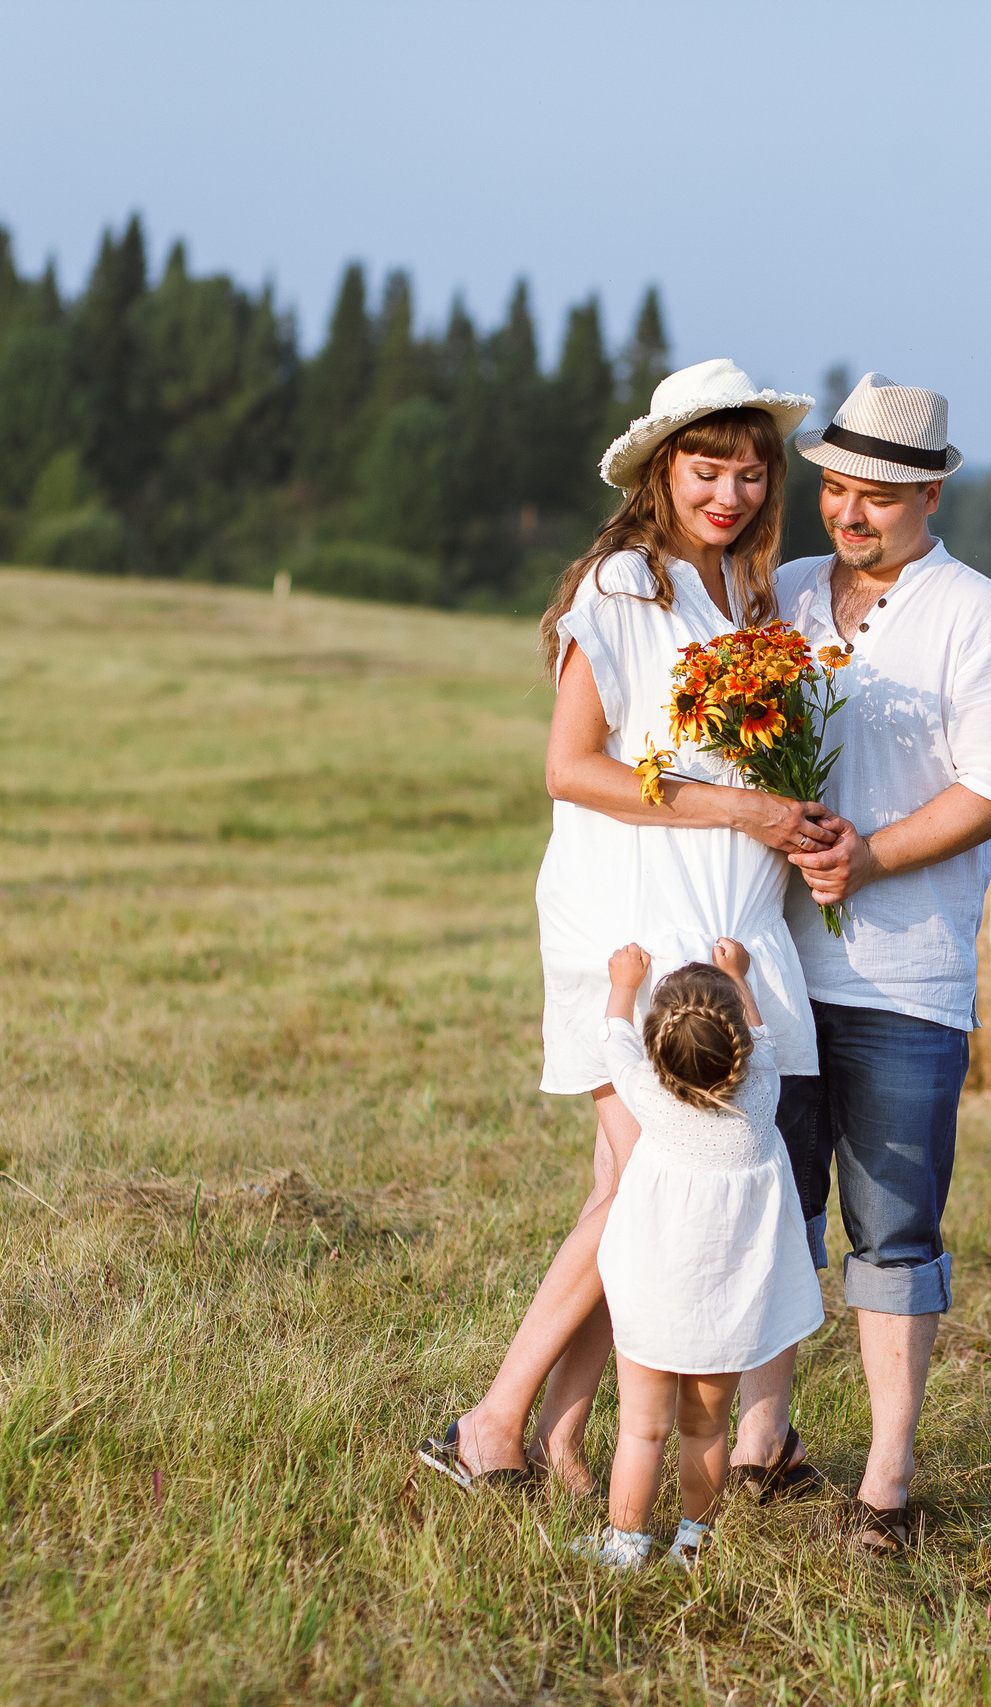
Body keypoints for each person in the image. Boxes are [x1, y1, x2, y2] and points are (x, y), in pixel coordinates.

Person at [418, 359, 836, 1494]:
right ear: (661, 469)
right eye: (708, 468)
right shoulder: (622, 589)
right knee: (644, 1186)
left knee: (641, 1194)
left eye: (752, 472)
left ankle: (555, 1438)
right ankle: (488, 1426)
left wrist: (788, 820)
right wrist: (742, 809)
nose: (731, 493)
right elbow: (572, 768)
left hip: (720, 917)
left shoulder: (744, 598)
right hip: (633, 921)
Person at [728, 374, 991, 1556]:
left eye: (877, 496)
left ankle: (886, 1486)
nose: (849, 513)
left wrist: (868, 858)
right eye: (835, 489)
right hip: (775, 957)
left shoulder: (982, 619)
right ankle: (762, 1446)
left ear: (931, 497)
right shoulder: (783, 595)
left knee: (893, 1230)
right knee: (775, 1210)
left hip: (904, 979)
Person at [569, 938, 824, 1570]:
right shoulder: (761, 1097)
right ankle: (693, 1543)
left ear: (658, 1052)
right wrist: (738, 975)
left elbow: (614, 1041)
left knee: (641, 1430)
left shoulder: (650, 1099)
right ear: (736, 1050)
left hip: (653, 1304)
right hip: (727, 1312)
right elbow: (764, 1039)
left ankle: (626, 1544)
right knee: (705, 1431)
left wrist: (624, 983)